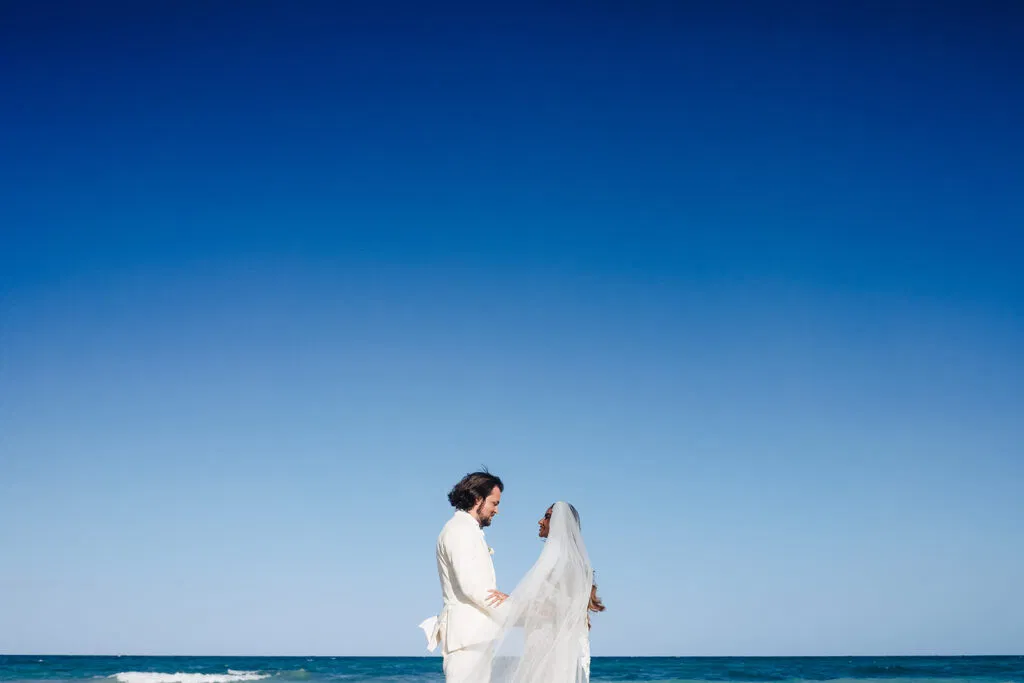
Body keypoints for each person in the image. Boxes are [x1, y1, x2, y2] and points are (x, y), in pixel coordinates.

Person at [475, 501, 602, 683]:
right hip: (540, 645)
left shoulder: (566, 564)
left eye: (547, 517)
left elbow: (558, 608)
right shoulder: (560, 561)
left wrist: (512, 603)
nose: (540, 521)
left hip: (552, 651)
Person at [419, 471, 508, 683]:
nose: (497, 510)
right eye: (494, 503)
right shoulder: (459, 530)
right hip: (467, 641)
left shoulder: (467, 530)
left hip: (475, 639)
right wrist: (522, 614)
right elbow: (473, 588)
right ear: (478, 499)